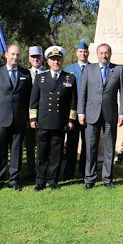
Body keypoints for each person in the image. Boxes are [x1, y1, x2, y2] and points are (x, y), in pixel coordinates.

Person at [78, 43, 123, 189]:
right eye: (101, 53)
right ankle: (89, 179)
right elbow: (83, 93)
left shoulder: (118, 70)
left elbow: (122, 94)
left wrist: (122, 113)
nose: (104, 55)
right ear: (97, 54)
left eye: (106, 53)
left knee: (109, 147)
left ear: (110, 54)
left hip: (110, 115)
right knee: (90, 148)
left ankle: (107, 179)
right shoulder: (88, 69)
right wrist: (81, 112)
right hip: (91, 114)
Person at [30, 46, 77, 190]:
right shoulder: (40, 77)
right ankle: (40, 180)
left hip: (59, 121)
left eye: (58, 59)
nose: (56, 62)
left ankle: (53, 180)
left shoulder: (69, 78)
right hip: (43, 121)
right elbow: (34, 100)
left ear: (62, 60)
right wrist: (33, 119)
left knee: (56, 153)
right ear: (48, 61)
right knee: (42, 153)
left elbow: (73, 102)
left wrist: (71, 120)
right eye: (53, 59)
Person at [0, 44, 32, 191]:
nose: (15, 57)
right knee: (1, 151)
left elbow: (28, 98)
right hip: (1, 119)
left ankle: (14, 180)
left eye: (17, 55)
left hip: (19, 119)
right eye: (12, 54)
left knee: (17, 151)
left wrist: (28, 118)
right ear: (6, 55)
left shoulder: (26, 74)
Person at [63, 39, 89, 180]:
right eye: (80, 51)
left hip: (88, 112)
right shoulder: (68, 69)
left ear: (88, 53)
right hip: (73, 112)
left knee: (87, 143)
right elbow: (66, 92)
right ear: (76, 53)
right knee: (72, 144)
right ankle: (69, 172)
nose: (83, 54)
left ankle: (84, 171)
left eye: (85, 51)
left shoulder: (93, 67)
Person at [24, 45, 46, 180]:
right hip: (28, 115)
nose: (36, 59)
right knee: (30, 143)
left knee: (43, 143)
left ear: (42, 58)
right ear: (29, 59)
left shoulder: (48, 73)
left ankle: (42, 169)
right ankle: (31, 169)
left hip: (44, 114)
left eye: (38, 56)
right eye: (33, 57)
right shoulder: (25, 74)